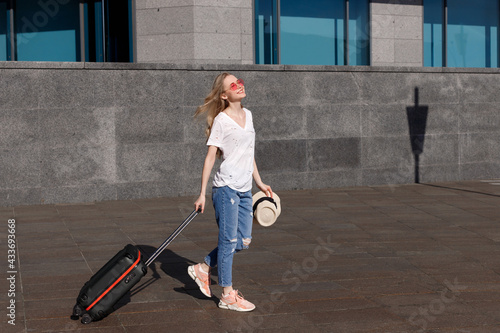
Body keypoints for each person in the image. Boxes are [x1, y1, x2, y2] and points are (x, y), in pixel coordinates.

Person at [188, 72, 272, 312]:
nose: (239, 85)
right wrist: (202, 193)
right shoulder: (222, 121)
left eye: (240, 82)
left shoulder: (249, 115)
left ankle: (203, 268)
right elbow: (210, 157)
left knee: (244, 241)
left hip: (245, 188)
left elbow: (248, 153)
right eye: (233, 85)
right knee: (228, 241)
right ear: (224, 95)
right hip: (226, 189)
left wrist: (260, 182)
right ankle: (227, 295)